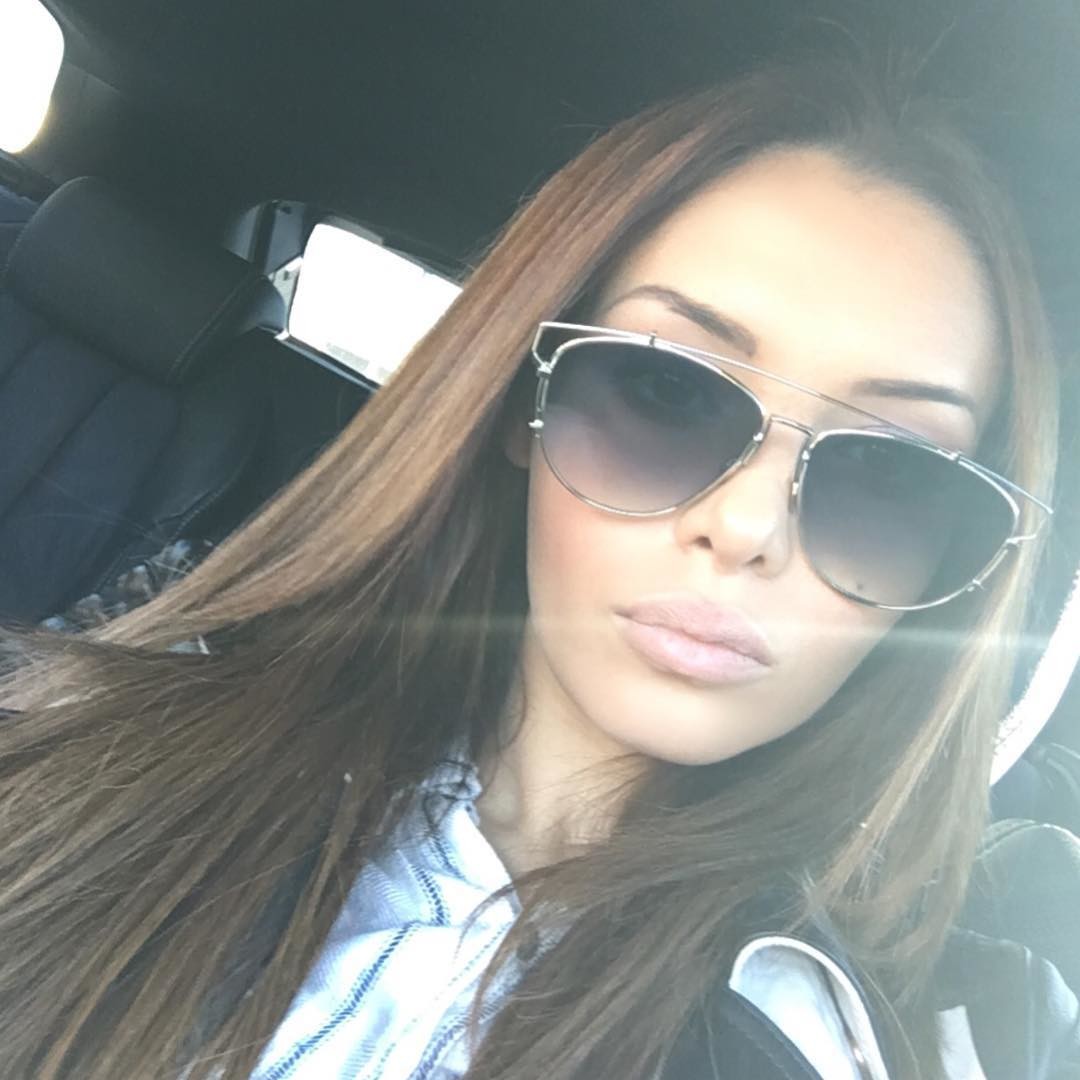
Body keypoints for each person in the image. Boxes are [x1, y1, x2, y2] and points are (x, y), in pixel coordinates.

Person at [0, 54, 1069, 1080]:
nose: (749, 528)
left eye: (891, 473)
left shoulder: (869, 1041)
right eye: (668, 392)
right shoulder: (101, 740)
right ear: (523, 402)